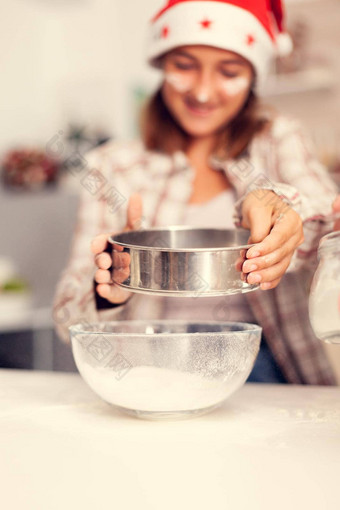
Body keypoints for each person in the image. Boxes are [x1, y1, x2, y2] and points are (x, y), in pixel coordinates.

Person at [53, 0, 340, 385]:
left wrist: (281, 209)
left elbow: (326, 220)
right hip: (150, 369)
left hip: (269, 369)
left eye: (229, 71)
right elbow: (66, 318)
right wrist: (109, 290)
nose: (203, 92)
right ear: (161, 65)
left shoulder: (278, 139)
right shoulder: (112, 167)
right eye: (184, 66)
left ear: (253, 76)